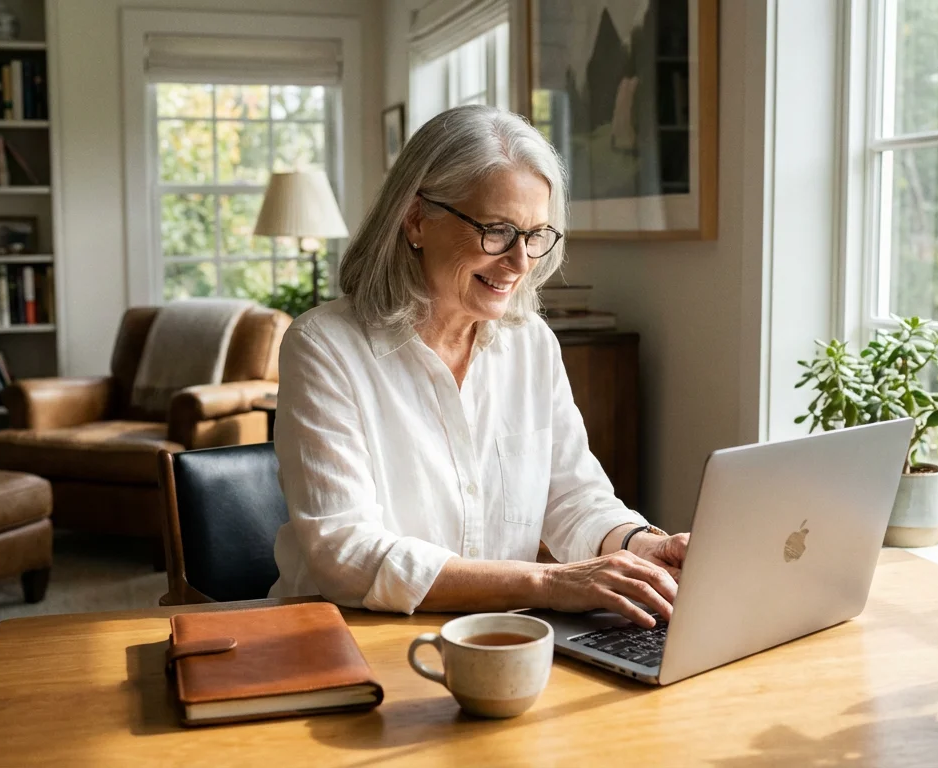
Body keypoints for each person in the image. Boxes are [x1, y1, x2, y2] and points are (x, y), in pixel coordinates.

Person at [268, 105, 689, 628]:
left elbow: (574, 497)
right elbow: (345, 553)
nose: (520, 263)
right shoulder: (323, 346)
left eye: (536, 235)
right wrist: (551, 583)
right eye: (497, 231)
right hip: (350, 639)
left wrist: (643, 545)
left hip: (499, 639)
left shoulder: (531, 344)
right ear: (416, 217)